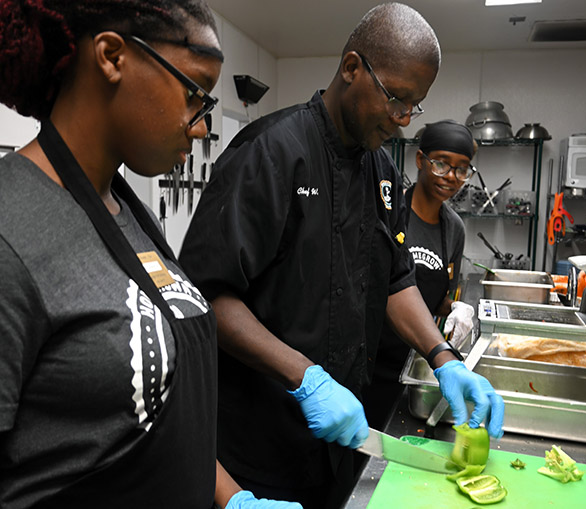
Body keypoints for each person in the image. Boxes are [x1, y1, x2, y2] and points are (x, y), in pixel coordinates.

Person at [179, 4, 504, 509]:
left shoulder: (381, 172)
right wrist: (303, 376)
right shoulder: (270, 153)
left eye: (413, 106)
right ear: (352, 68)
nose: (401, 121)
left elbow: (395, 279)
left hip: (342, 443)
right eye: (396, 99)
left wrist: (443, 357)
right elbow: (205, 296)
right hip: (259, 449)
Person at [0, 1, 301, 508]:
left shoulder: (128, 213)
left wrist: (233, 500)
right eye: (194, 94)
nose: (202, 127)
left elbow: (158, 421)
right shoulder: (12, 232)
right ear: (113, 56)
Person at [363, 120, 478, 430]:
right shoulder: (388, 213)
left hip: (416, 362)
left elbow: (438, 299)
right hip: (369, 362)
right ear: (420, 160)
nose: (451, 177)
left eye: (462, 169)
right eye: (441, 164)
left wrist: (454, 307)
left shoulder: (454, 229)